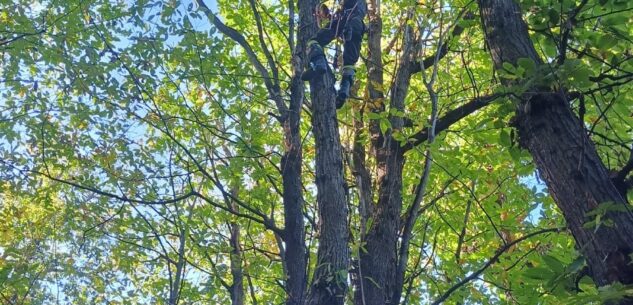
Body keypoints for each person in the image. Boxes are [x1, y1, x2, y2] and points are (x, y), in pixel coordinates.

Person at [301, 0, 366, 108]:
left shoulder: (347, 8)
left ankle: (319, 63)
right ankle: (343, 92)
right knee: (349, 63)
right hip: (358, 26)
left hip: (343, 20)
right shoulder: (362, 6)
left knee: (312, 41)